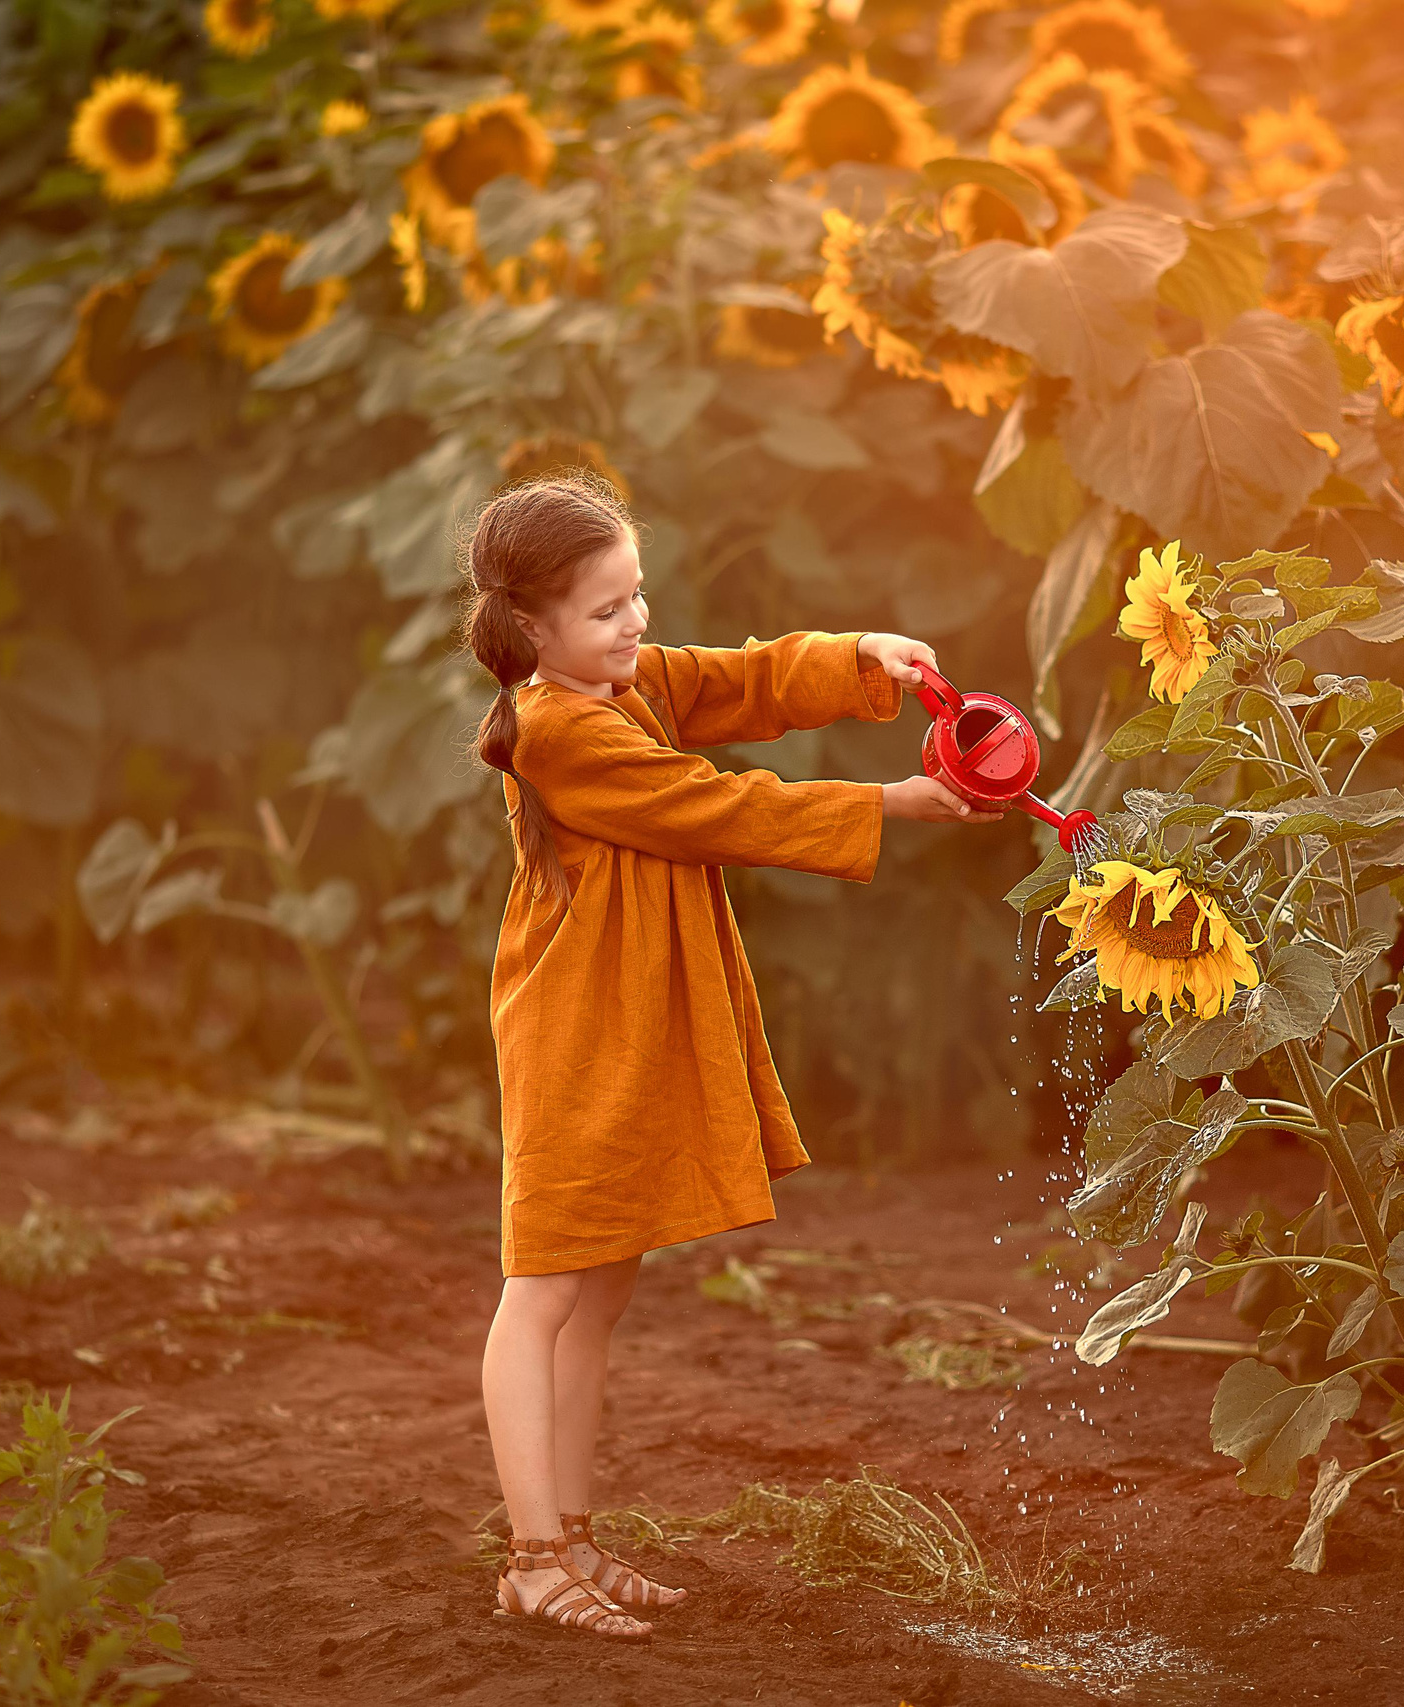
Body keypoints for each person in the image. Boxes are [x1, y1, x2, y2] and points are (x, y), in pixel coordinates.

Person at [462, 472, 1000, 1639]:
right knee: (542, 1290)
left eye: (635, 596)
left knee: (601, 1288)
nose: (635, 625)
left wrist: (863, 656)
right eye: (605, 611)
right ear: (532, 629)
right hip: (575, 1032)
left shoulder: (618, 684)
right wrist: (889, 805)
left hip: (633, 1023)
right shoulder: (561, 731)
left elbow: (741, 680)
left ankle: (577, 1539)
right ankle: (531, 1554)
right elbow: (714, 809)